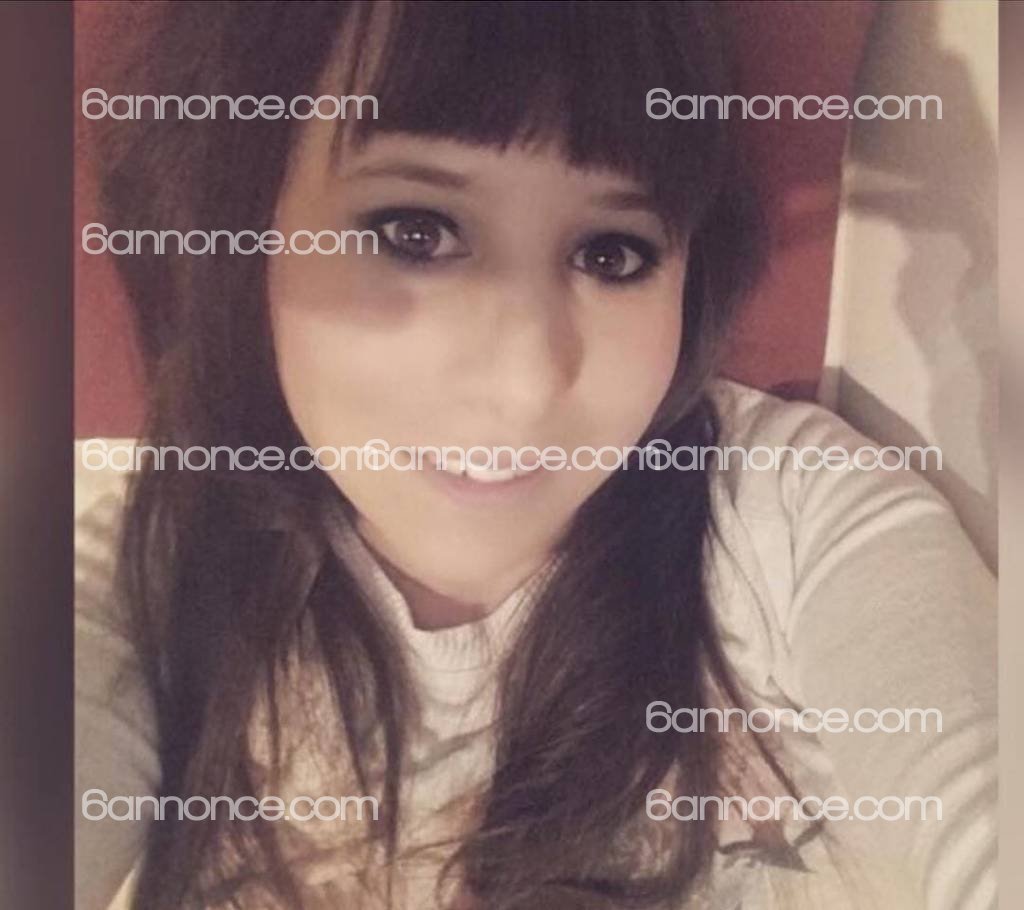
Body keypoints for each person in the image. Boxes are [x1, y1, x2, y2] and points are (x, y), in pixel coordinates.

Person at [75, 2, 997, 908]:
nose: (526, 386)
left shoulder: (791, 521)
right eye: (415, 232)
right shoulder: (146, 563)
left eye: (612, 254)